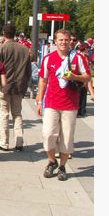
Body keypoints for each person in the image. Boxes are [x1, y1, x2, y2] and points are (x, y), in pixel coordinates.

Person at [36, 29, 90, 181]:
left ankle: (62, 166)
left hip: (70, 105)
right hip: (52, 103)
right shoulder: (48, 58)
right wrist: (40, 101)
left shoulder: (78, 58)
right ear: (55, 42)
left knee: (67, 139)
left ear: (70, 41)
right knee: (48, 135)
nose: (64, 42)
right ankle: (52, 161)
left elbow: (87, 77)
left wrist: (74, 76)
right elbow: (43, 80)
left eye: (66, 40)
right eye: (60, 40)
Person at [0, 23, 32, 151]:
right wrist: (26, 84)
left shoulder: (0, 49)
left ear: (3, 34)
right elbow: (28, 70)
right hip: (19, 85)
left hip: (4, 85)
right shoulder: (24, 49)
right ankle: (19, 141)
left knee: (4, 113)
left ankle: (3, 142)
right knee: (17, 114)